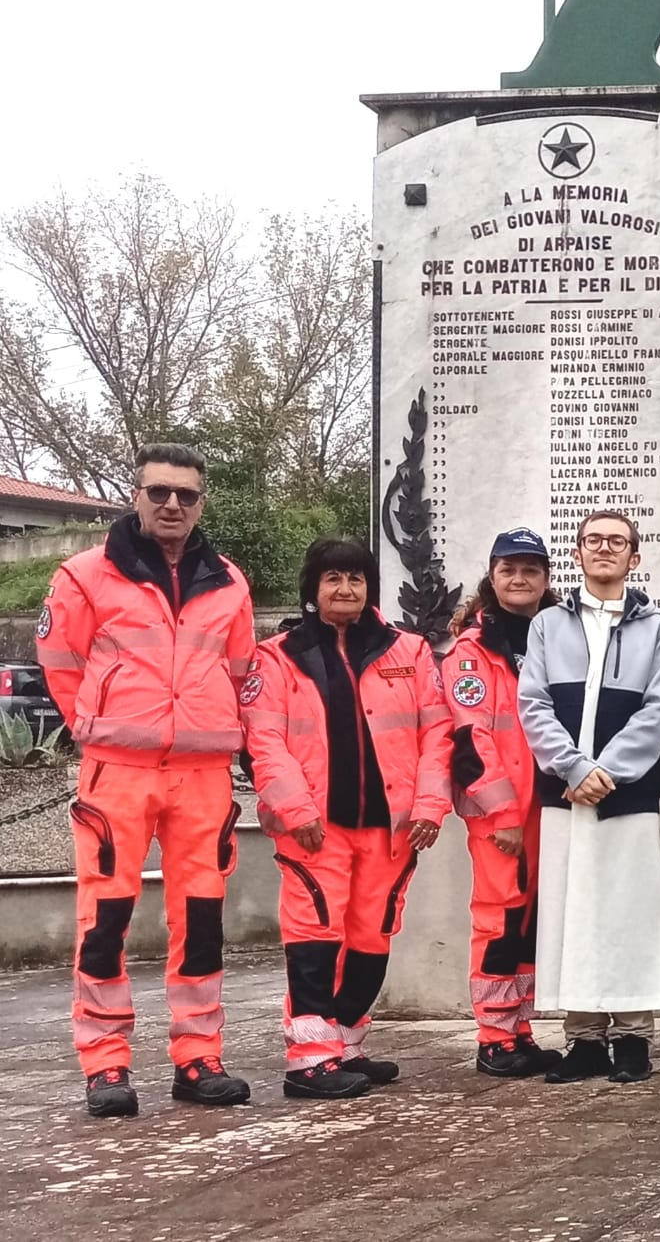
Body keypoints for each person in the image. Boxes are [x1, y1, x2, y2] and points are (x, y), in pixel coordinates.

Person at [37, 443, 257, 1117]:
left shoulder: (228, 581)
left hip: (203, 774)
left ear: (201, 503)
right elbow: (61, 664)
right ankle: (105, 1066)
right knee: (105, 919)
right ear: (135, 495)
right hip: (118, 773)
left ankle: (198, 1058)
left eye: (186, 495)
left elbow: (242, 670)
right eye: (159, 491)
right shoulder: (83, 576)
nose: (172, 505)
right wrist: (104, 723)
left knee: (204, 919)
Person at [241, 538, 455, 1099]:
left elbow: (437, 733)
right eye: (333, 578)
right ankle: (309, 1059)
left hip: (390, 829)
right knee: (315, 936)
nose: (345, 589)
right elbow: (264, 741)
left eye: (356, 579)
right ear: (312, 588)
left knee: (372, 937)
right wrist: (294, 808)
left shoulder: (407, 651)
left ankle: (345, 1043)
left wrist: (430, 805)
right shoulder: (278, 655)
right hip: (315, 828)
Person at [518, 509, 660, 1085]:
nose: (604, 549)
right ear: (578, 554)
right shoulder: (548, 626)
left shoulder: (656, 629)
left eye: (617, 541)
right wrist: (572, 766)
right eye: (593, 541)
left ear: (634, 557)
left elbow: (657, 709)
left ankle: (634, 1035)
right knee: (571, 913)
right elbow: (533, 703)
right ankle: (584, 1038)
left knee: (629, 914)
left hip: (626, 795)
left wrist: (607, 771)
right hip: (565, 793)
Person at [443, 527, 562, 1078]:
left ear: (546, 578)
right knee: (499, 917)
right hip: (504, 812)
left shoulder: (556, 636)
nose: (520, 579)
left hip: (552, 807)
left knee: (530, 920)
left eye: (531, 570)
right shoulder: (472, 651)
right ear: (492, 576)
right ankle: (493, 1034)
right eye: (509, 569)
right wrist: (504, 816)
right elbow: (470, 740)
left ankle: (520, 1027)